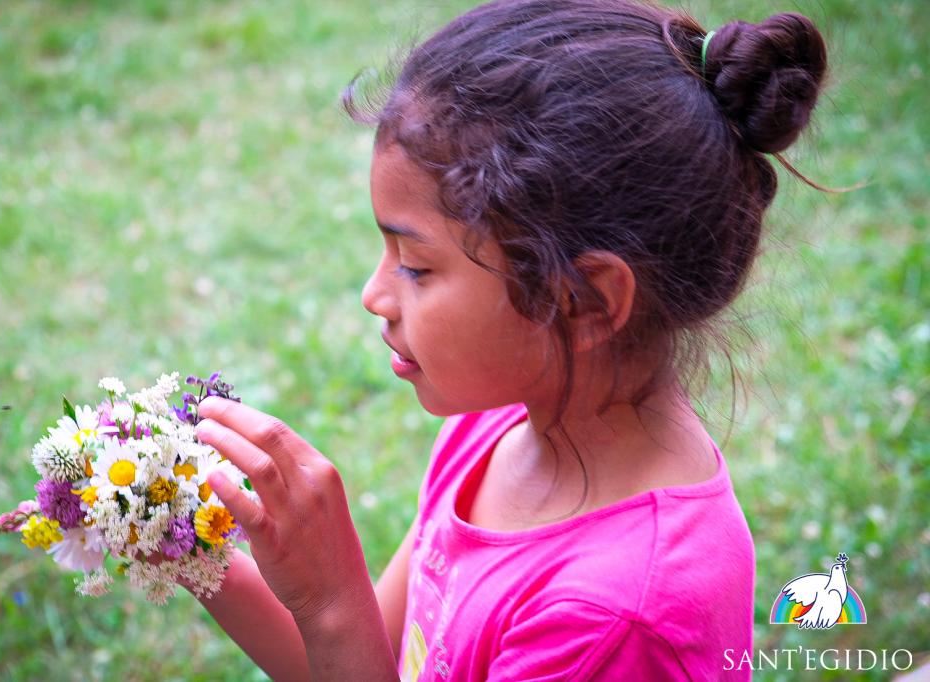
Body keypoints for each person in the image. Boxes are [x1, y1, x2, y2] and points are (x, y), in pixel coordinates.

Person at [190, 0, 830, 679]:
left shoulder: (616, 616)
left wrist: (331, 602)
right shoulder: (496, 433)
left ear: (582, 302)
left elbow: (343, 640)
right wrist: (184, 542)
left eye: (416, 266)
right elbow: (357, 660)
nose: (374, 296)